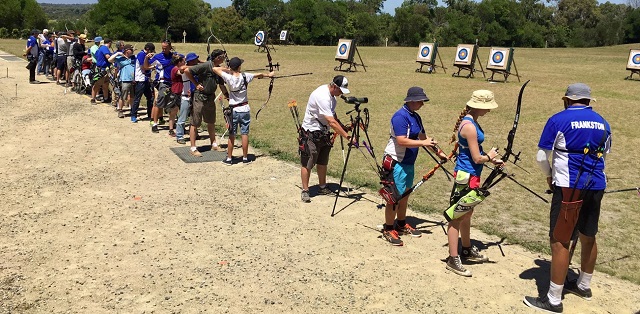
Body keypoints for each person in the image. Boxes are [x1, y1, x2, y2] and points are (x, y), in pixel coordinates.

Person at [524, 83, 611, 313]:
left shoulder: (558, 119)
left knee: (560, 240)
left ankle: (553, 299)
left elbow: (542, 156)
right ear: (588, 101)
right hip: (597, 184)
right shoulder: (603, 122)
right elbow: (605, 153)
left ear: (567, 100)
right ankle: (583, 285)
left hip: (569, 186)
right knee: (588, 235)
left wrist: (549, 176)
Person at [445, 90, 503, 277]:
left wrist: (491, 159)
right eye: (487, 107)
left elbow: (476, 152)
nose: (489, 110)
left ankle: (466, 249)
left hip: (471, 175)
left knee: (467, 212)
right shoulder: (469, 126)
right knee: (457, 216)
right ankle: (453, 259)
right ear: (479, 106)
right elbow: (477, 158)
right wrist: (489, 157)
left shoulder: (472, 122)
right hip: (467, 175)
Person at [380, 86, 448, 246]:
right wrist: (423, 143)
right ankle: (388, 229)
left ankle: (401, 224)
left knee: (405, 194)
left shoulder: (416, 117)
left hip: (408, 162)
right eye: (420, 101)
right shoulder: (399, 117)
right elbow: (402, 140)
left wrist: (439, 152)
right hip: (396, 161)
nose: (422, 104)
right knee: (393, 198)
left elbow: (423, 137)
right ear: (411, 101)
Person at [298, 75, 352, 202]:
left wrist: (342, 127)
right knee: (308, 162)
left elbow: (333, 116)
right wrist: (347, 136)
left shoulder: (333, 97)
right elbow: (331, 122)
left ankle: (322, 186)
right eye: (340, 90)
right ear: (334, 86)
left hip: (323, 133)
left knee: (322, 161)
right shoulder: (322, 96)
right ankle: (305, 190)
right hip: (311, 132)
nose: (340, 94)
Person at [212, 57, 273, 165]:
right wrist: (269, 75)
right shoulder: (245, 76)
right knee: (244, 134)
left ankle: (229, 158)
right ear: (239, 67)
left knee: (232, 134)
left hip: (234, 110)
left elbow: (215, 69)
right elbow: (259, 75)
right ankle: (245, 158)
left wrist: (227, 69)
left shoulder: (229, 78)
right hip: (245, 109)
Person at [184, 49, 229, 155]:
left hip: (210, 98)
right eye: (223, 56)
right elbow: (187, 71)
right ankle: (193, 148)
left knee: (211, 121)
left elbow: (221, 85)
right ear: (218, 58)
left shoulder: (218, 70)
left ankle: (214, 144)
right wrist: (196, 84)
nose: (224, 58)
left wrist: (227, 96)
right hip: (199, 97)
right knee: (195, 122)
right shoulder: (205, 65)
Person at [144, 40, 175, 133]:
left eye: (166, 48)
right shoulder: (158, 57)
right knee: (158, 103)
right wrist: (146, 58)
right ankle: (154, 123)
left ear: (170, 47)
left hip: (173, 83)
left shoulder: (174, 56)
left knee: (174, 104)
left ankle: (172, 125)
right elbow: (146, 66)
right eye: (162, 48)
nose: (164, 49)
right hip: (163, 83)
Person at [175, 52, 201, 144]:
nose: (196, 61)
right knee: (182, 118)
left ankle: (194, 134)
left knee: (194, 117)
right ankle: (179, 136)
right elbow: (181, 68)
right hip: (186, 97)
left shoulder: (197, 69)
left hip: (195, 96)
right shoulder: (186, 69)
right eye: (194, 60)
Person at [108, 44, 136, 118]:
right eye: (131, 49)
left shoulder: (134, 58)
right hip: (125, 79)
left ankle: (132, 110)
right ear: (126, 50)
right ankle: (120, 110)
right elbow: (110, 60)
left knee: (133, 96)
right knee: (123, 96)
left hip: (133, 80)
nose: (132, 51)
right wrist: (117, 53)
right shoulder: (120, 58)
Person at [131, 42, 155, 123]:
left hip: (146, 79)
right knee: (138, 98)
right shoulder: (141, 54)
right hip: (140, 79)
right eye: (151, 51)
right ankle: (133, 115)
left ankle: (149, 114)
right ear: (148, 49)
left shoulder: (146, 56)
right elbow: (144, 67)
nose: (152, 53)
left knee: (150, 98)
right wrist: (154, 66)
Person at [91, 38, 113, 104]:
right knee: (98, 84)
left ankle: (106, 98)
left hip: (106, 68)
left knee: (106, 84)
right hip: (102, 69)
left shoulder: (100, 48)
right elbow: (108, 57)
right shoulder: (104, 48)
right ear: (109, 43)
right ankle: (93, 99)